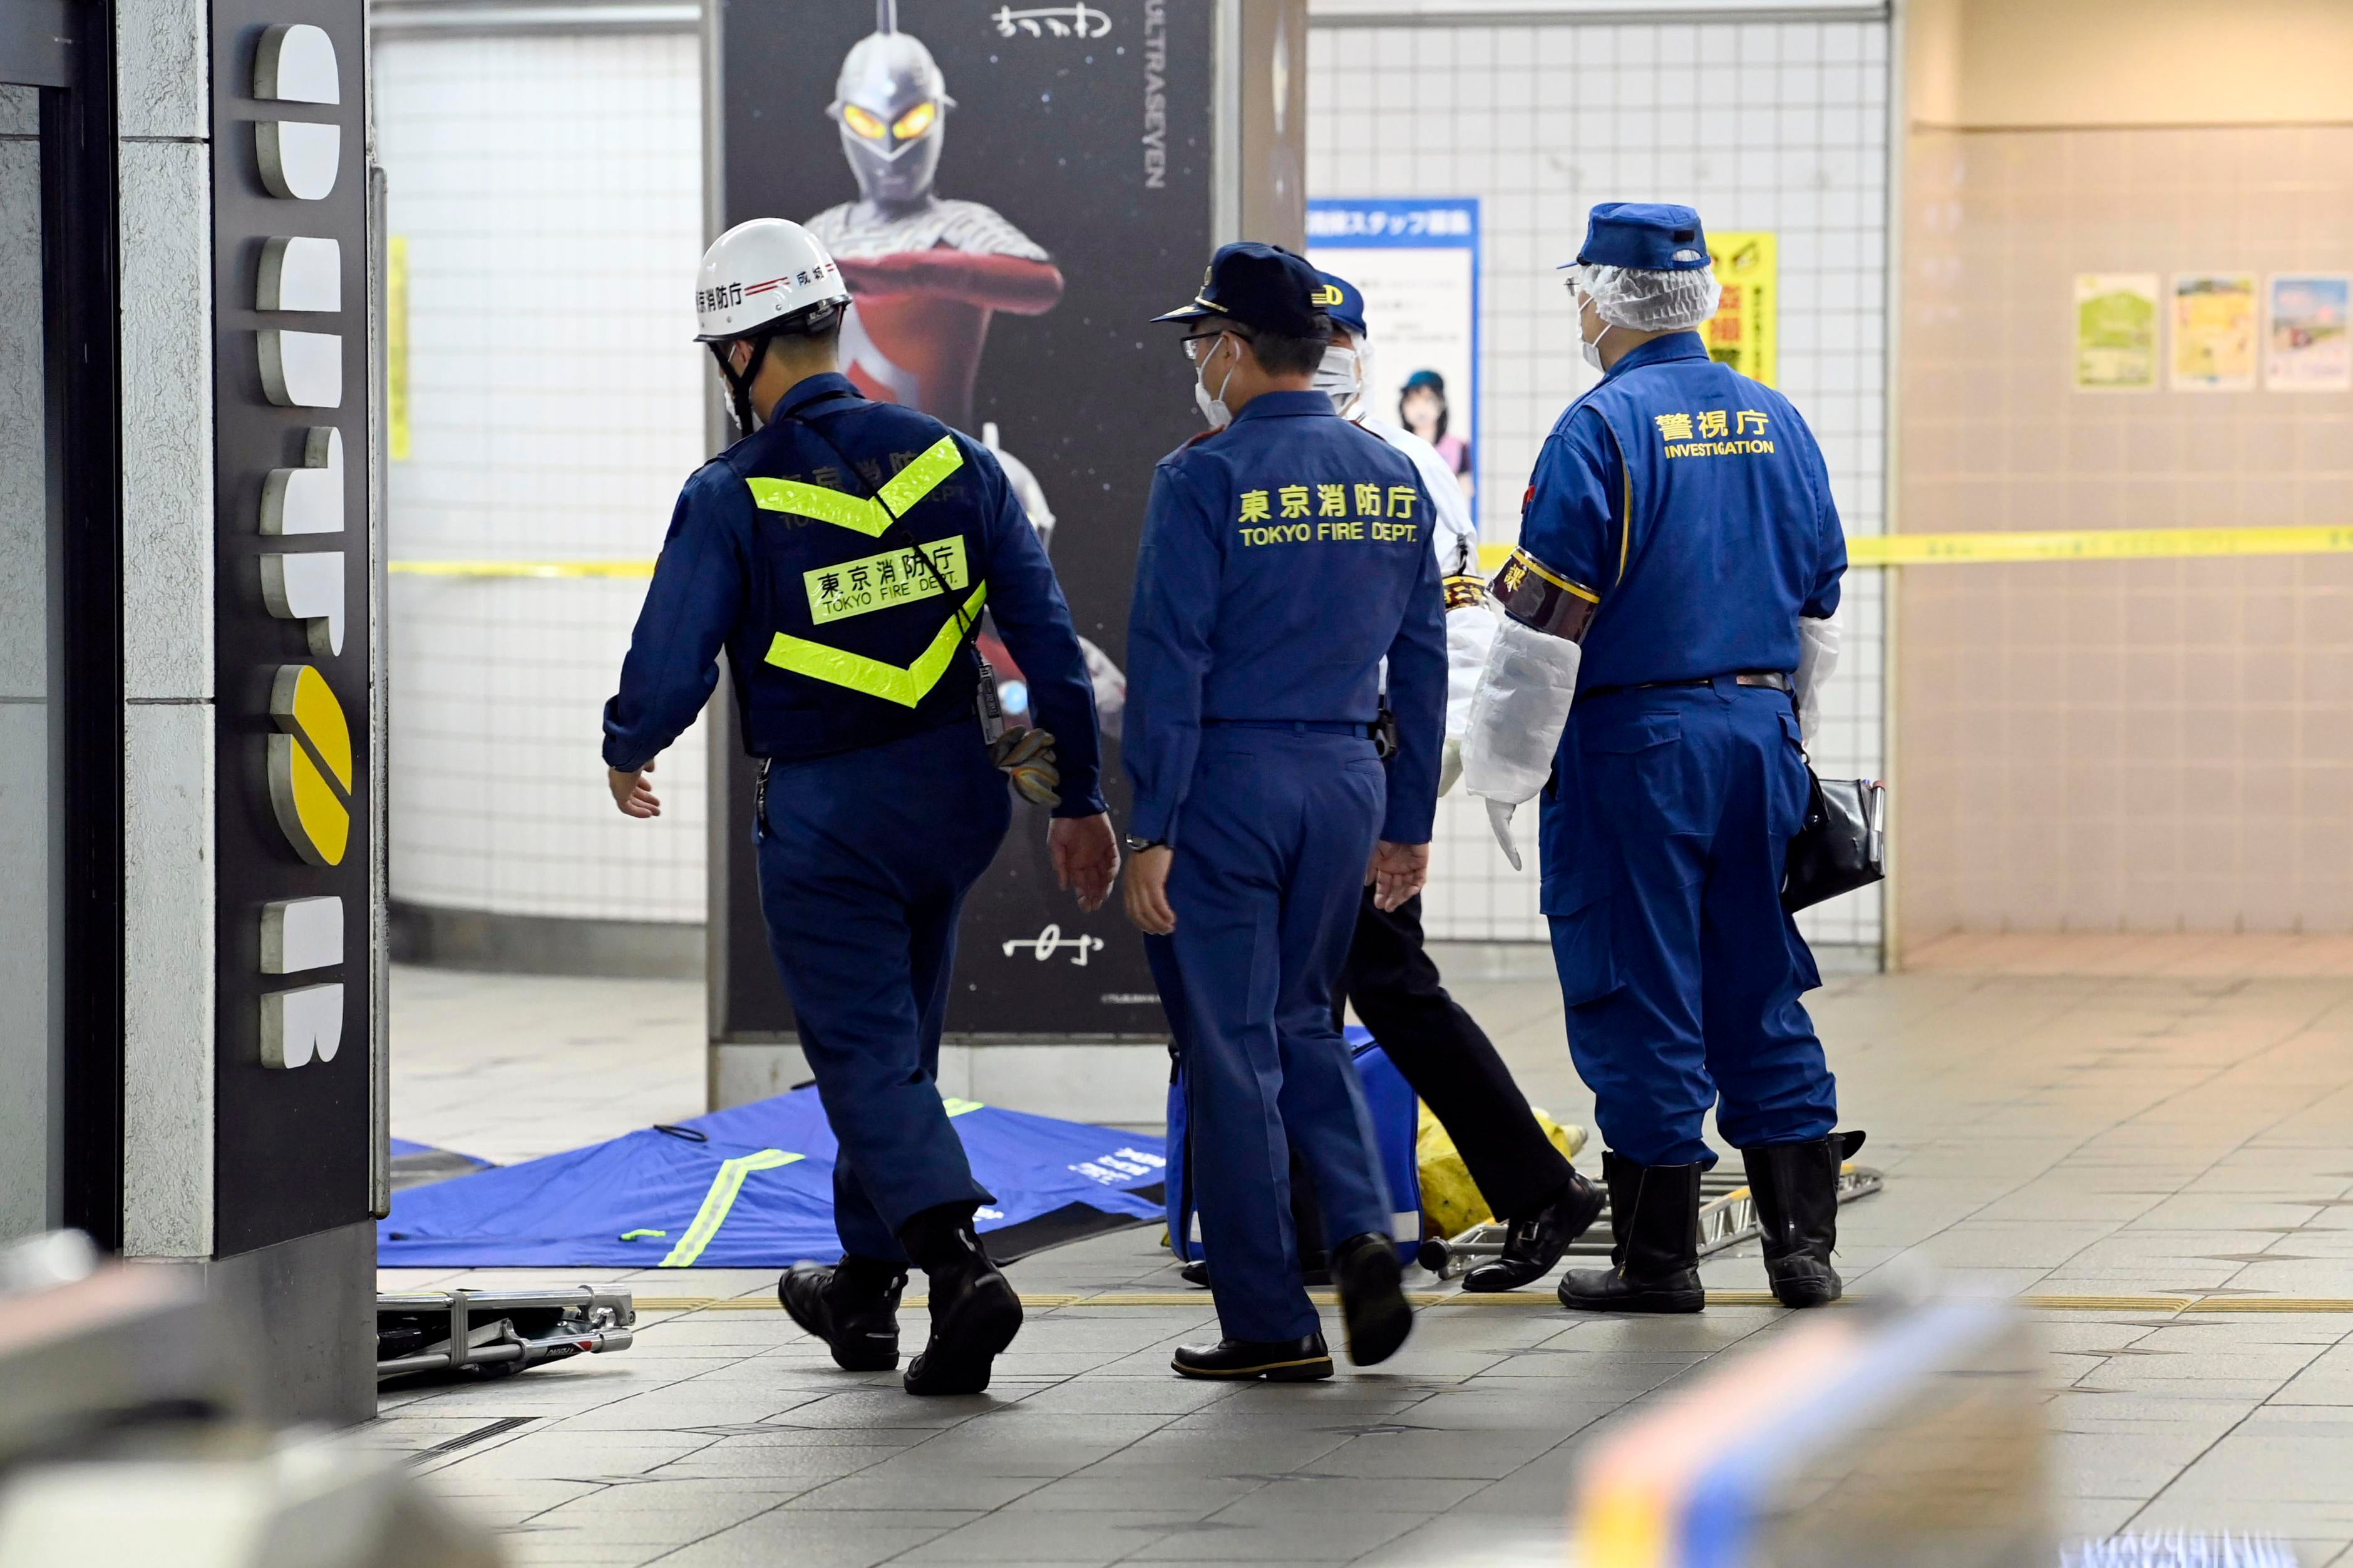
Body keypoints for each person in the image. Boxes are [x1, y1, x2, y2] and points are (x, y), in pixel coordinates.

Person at [600, 217, 1119, 1393]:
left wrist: (629, 744)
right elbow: (1046, 647)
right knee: (891, 1044)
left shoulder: (730, 491)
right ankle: (867, 1291)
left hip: (830, 814)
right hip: (954, 799)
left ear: (739, 355)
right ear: (831, 323)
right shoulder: (958, 463)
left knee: (860, 1052)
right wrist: (1078, 797)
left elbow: (671, 657)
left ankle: (959, 1265)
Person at [1461, 202, 1856, 1316]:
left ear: (1606, 296)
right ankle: (1800, 1252)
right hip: (1756, 734)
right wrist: (1784, 739)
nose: (1577, 308)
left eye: (1579, 289)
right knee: (1755, 981)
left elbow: (1544, 633)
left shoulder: (1601, 429)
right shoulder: (1777, 420)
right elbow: (1819, 603)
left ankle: (1655, 1260)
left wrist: (1498, 773)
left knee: (1636, 989)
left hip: (1636, 751)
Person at [1123, 242, 1447, 1381]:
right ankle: (1359, 1233)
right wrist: (1406, 822)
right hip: (1344, 780)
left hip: (1227, 782)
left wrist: (1150, 825)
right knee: (1309, 1023)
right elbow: (1421, 658)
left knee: (1231, 1046)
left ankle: (1267, 1322)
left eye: (1198, 340)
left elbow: (1169, 665)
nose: (1194, 361)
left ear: (1230, 349)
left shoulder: (1200, 479)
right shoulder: (1391, 474)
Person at [1314, 270, 1604, 1290]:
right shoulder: (1290, 459)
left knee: (1375, 984)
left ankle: (1507, 1192)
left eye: (1335, 334)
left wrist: (1409, 791)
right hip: (1332, 767)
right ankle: (1488, 1193)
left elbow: (1456, 633)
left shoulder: (1394, 466)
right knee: (1364, 988)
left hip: (1358, 764)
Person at [1398, 369, 1473, 502]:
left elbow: (1466, 490)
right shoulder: (1396, 448)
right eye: (1413, 402)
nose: (1420, 409)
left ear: (1441, 404)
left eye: (1428, 401)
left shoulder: (1458, 447)